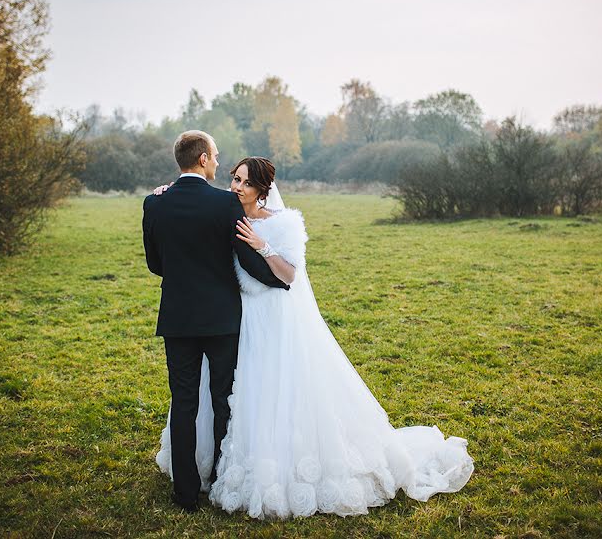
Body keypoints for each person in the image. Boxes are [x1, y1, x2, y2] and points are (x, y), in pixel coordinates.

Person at [153, 155, 474, 518]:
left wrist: (262, 245)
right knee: (238, 394)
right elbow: (195, 208)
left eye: (244, 182)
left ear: (262, 189)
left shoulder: (284, 223)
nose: (236, 187)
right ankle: (221, 466)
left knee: (278, 392)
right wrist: (167, 191)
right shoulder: (228, 214)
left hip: (276, 317)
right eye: (234, 180)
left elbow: (289, 277)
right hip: (241, 320)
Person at [142, 131, 289, 513]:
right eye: (217, 156)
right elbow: (246, 257)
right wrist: (280, 279)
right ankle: (223, 479)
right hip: (222, 318)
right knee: (223, 399)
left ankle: (186, 493)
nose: (220, 163)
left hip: (177, 318)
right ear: (204, 158)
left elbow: (154, 263)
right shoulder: (226, 204)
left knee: (184, 401)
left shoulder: (154, 203)